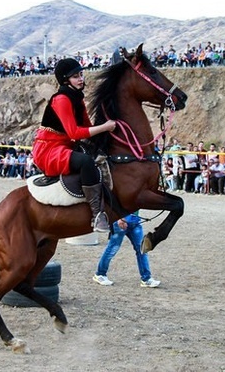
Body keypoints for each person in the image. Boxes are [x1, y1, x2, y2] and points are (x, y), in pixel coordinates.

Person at [32, 58, 116, 232]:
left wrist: (106, 129)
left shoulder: (77, 98)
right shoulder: (61, 99)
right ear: (65, 80)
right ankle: (97, 214)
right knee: (85, 161)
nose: (81, 79)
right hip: (49, 150)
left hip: (65, 146)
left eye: (81, 74)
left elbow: (87, 127)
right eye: (76, 76)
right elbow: (74, 133)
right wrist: (105, 127)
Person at [93, 211, 161, 288]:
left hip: (135, 221)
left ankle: (146, 278)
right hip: (121, 221)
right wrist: (119, 218)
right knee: (112, 249)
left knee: (142, 249)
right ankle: (100, 274)